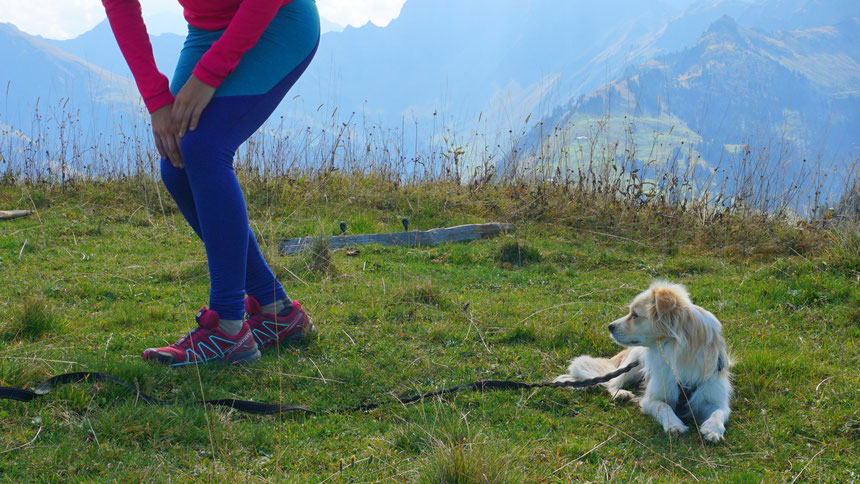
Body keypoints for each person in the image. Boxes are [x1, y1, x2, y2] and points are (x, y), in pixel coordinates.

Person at [101, 0, 319, 366]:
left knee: (203, 148)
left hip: (275, 18)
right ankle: (277, 311)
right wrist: (156, 100)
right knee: (178, 163)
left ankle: (228, 328)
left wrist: (209, 76)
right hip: (206, 31)